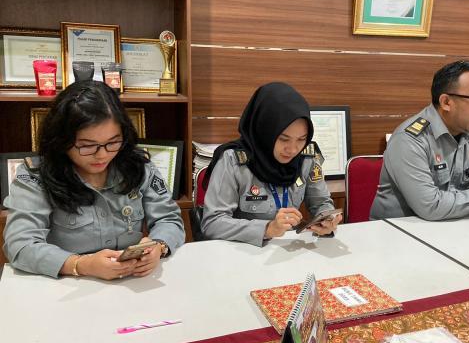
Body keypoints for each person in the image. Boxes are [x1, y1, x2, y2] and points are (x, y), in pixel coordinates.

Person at [3, 81, 185, 279]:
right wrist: (80, 265)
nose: (102, 155)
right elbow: (20, 245)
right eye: (87, 146)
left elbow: (169, 219)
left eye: (113, 142)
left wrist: (158, 245)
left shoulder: (138, 167)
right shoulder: (36, 177)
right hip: (66, 285)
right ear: (62, 140)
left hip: (131, 282)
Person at [370, 60, 469, 238]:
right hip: (400, 235)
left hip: (455, 230)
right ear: (446, 102)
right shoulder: (409, 139)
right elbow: (430, 206)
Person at [201, 82, 340, 246]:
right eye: (283, 139)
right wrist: (267, 228)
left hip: (289, 251)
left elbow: (321, 203)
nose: (293, 149)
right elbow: (212, 223)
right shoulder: (233, 160)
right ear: (265, 131)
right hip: (245, 252)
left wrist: (327, 219)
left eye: (301, 139)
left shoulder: (306, 158)